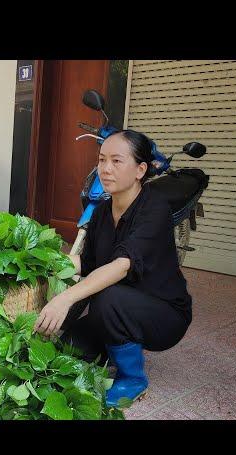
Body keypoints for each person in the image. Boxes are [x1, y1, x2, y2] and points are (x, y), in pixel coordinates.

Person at [34, 130, 192, 408]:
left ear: (140, 170)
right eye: (101, 159)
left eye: (117, 161)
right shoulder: (102, 213)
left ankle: (133, 378)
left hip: (164, 314)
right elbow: (89, 264)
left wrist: (65, 298)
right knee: (65, 352)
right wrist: (44, 262)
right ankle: (114, 345)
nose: (105, 169)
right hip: (117, 308)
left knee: (107, 297)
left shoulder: (154, 209)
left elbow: (120, 267)